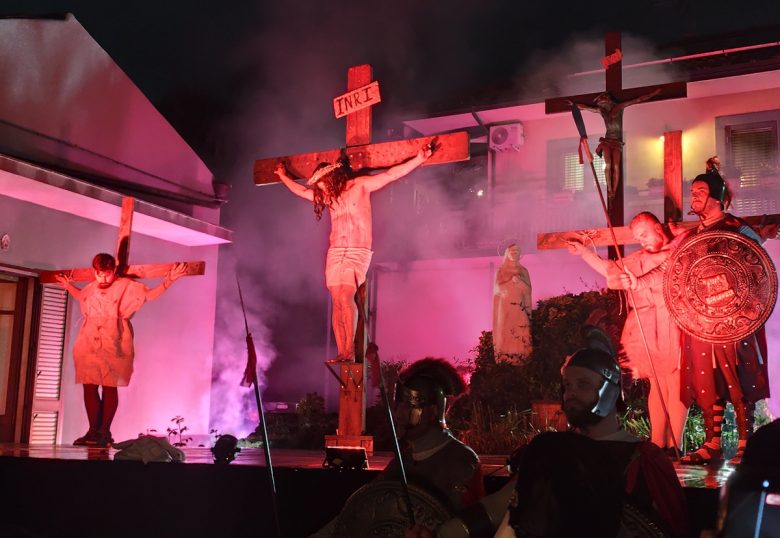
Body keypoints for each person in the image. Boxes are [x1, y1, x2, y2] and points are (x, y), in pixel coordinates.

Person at [620, 171, 771, 465]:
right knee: (706, 381)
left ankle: (744, 443)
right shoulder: (690, 238)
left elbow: (756, 259)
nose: (695, 197)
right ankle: (712, 443)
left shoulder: (735, 227)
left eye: (700, 191)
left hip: (731, 321)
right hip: (700, 323)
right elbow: (669, 271)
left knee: (738, 379)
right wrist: (638, 283)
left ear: (716, 195)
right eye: (693, 192)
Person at [275, 145, 435, 362]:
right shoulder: (328, 198)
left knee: (345, 296)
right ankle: (341, 350)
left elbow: (390, 174)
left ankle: (348, 350)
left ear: (333, 178)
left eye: (324, 184)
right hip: (335, 252)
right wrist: (283, 176)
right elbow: (302, 191)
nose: (322, 190)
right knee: (336, 300)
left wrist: (419, 158)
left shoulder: (359, 186)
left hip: (356, 251)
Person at [317, 358, 484, 537]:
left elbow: (472, 528)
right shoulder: (403, 461)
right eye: (399, 405)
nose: (398, 413)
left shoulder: (462, 462)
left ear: (433, 411)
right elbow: (359, 512)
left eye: (408, 405)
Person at [567, 212, 687, 452]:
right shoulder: (637, 259)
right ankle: (658, 442)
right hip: (645, 324)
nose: (641, 240)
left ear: (658, 228)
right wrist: (584, 253)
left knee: (675, 383)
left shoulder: (678, 252)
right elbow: (608, 268)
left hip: (670, 322)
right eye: (637, 237)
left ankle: (676, 443)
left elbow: (665, 273)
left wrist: (638, 283)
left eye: (644, 234)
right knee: (657, 384)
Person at [560, 333, 690, 537]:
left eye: (583, 384)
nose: (571, 394)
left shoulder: (646, 461)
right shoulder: (554, 454)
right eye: (567, 385)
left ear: (610, 391)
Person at [55, 253, 186, 447]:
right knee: (89, 384)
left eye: (107, 274)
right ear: (95, 271)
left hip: (113, 338)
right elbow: (82, 297)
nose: (103, 278)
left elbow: (149, 295)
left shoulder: (127, 286)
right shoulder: (91, 287)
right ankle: (93, 430)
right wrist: (67, 286)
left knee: (109, 384)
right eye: (99, 274)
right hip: (89, 340)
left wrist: (169, 280)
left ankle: (104, 431)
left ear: (114, 270)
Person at [573, 88, 660, 200]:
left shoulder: (619, 107)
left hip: (617, 142)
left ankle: (613, 190)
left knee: (615, 166)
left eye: (603, 102)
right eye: (601, 104)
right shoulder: (602, 111)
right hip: (607, 141)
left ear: (609, 101)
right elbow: (588, 108)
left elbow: (637, 99)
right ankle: (610, 189)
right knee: (608, 165)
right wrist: (574, 106)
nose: (603, 106)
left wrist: (653, 93)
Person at [492, 244, 532, 363]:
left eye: (517, 250)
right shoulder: (501, 270)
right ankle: (505, 359)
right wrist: (510, 282)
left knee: (521, 331)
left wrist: (519, 282)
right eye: (512, 251)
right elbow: (497, 289)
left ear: (520, 254)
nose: (515, 253)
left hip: (520, 307)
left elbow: (528, 290)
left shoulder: (523, 271)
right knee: (505, 331)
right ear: (507, 253)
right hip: (505, 307)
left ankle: (521, 358)